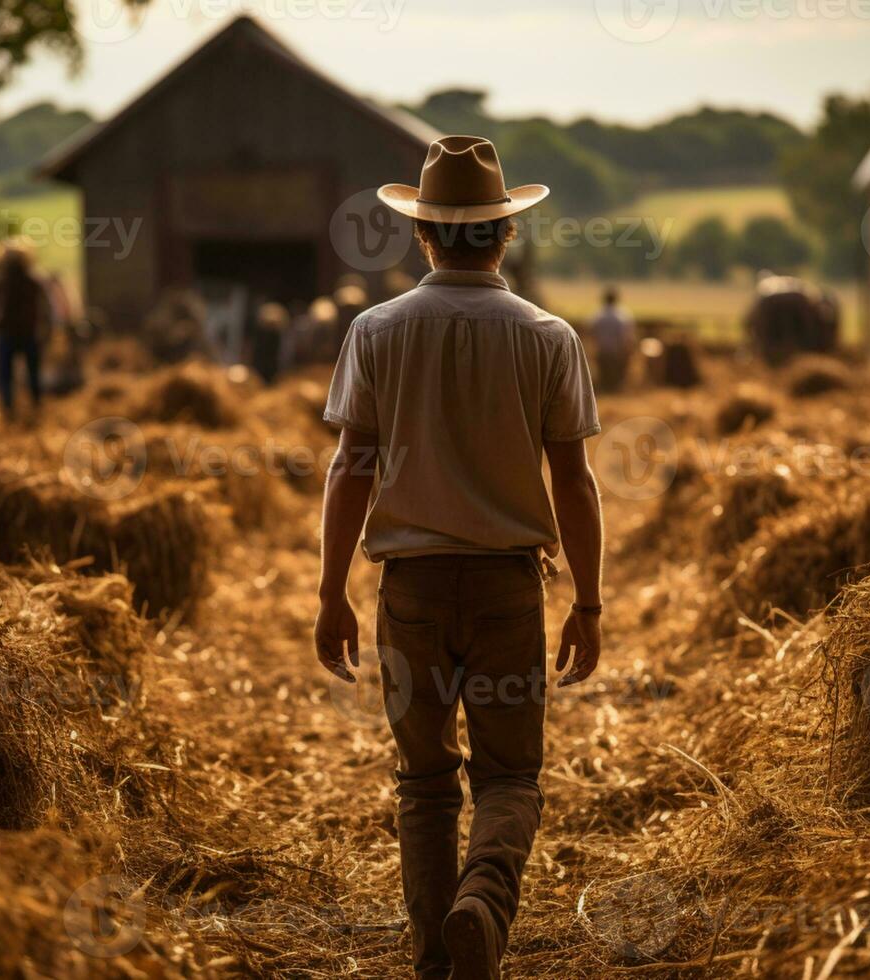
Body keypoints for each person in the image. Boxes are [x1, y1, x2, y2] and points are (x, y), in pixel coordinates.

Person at [315, 135, 605, 980]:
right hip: (510, 590)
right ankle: (482, 902)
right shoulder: (549, 337)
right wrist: (588, 603)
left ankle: (436, 956)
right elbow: (576, 482)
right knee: (511, 777)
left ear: (422, 235)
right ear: (506, 234)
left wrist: (332, 592)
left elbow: (350, 468)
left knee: (426, 782)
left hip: (410, 590)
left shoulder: (375, 331)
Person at [0, 238, 53, 419]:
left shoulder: (32, 282)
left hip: (25, 334)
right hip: (11, 334)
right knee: (8, 375)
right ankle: (9, 409)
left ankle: (33, 407)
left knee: (29, 375)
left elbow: (46, 310)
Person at [591, 286, 636, 393]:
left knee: (605, 377)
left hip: (602, 352)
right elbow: (626, 336)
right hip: (617, 352)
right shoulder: (622, 316)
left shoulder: (597, 316)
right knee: (617, 379)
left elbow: (592, 333)